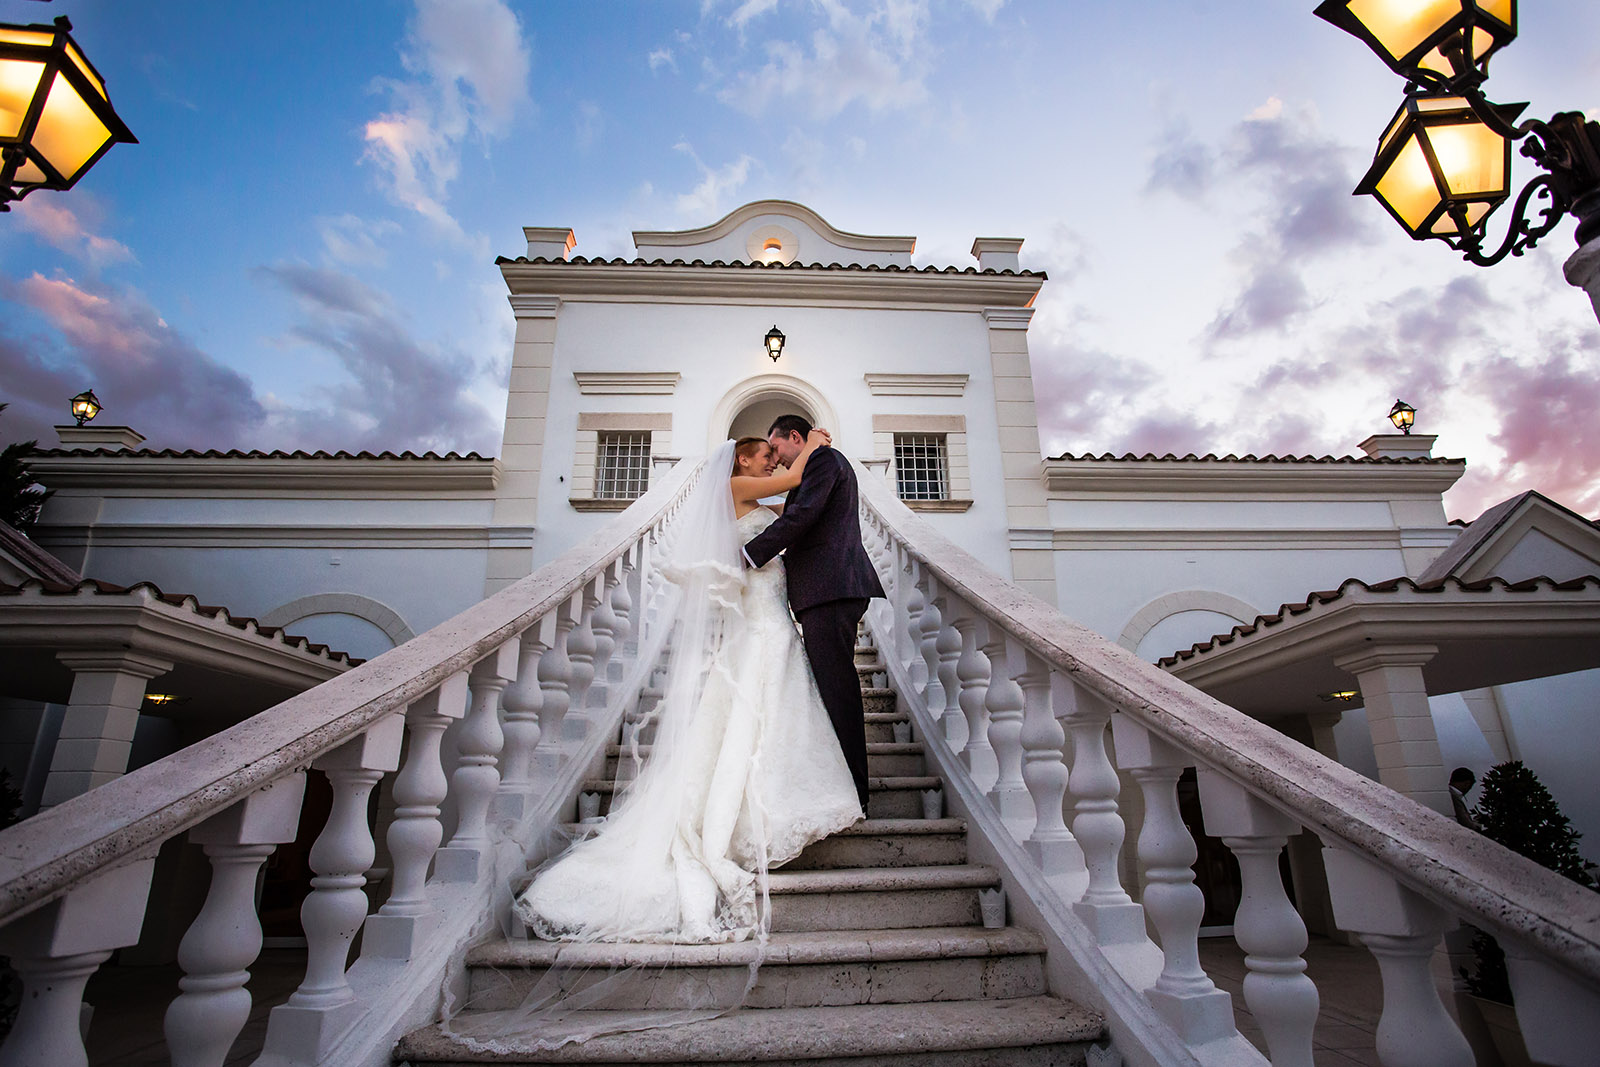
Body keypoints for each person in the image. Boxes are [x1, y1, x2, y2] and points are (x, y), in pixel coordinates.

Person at [511, 431, 863, 946]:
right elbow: (792, 483)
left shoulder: (748, 494)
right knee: (758, 710)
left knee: (773, 713)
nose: (770, 461)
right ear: (741, 458)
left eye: (773, 452)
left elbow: (793, 508)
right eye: (764, 453)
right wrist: (811, 442)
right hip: (764, 620)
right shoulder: (735, 487)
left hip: (772, 615)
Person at [743, 413, 887, 810]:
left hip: (831, 589)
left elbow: (802, 516)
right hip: (827, 590)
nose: (777, 459)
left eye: (776, 449)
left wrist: (749, 553)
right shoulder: (822, 461)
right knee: (832, 686)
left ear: (794, 436)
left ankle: (856, 794)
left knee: (837, 689)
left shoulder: (823, 460)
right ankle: (845, 786)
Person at [1450, 767, 1482, 831]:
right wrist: (1478, 823)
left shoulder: (1449, 793)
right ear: (1467, 784)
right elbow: (1466, 824)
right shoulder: (1454, 798)